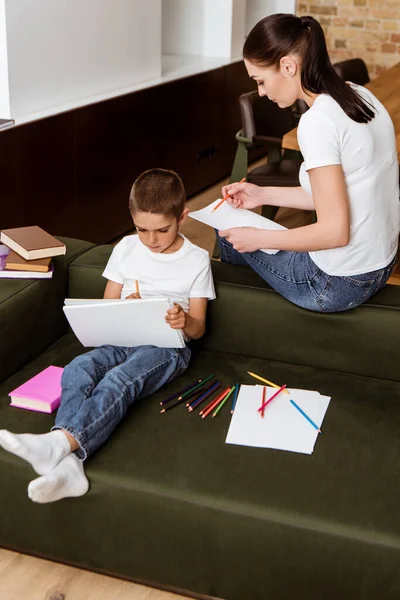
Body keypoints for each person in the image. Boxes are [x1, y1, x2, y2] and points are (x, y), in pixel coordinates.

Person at [0, 168, 215, 503]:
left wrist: (182, 318)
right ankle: (70, 466)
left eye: (162, 230)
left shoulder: (197, 260)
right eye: (142, 229)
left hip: (167, 347)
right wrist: (127, 306)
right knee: (76, 370)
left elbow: (198, 328)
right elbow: (107, 304)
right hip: (122, 336)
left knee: (118, 381)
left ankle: (58, 442)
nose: (151, 239)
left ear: (182, 217)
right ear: (131, 218)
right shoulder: (126, 248)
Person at [218, 13, 399, 312]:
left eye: (260, 80)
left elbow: (334, 231)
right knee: (244, 232)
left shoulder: (317, 122)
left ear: (288, 66)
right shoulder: (360, 96)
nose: (261, 92)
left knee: (226, 234)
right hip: (381, 264)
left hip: (336, 282)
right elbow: (338, 197)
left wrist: (258, 238)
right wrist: (262, 194)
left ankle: (248, 320)